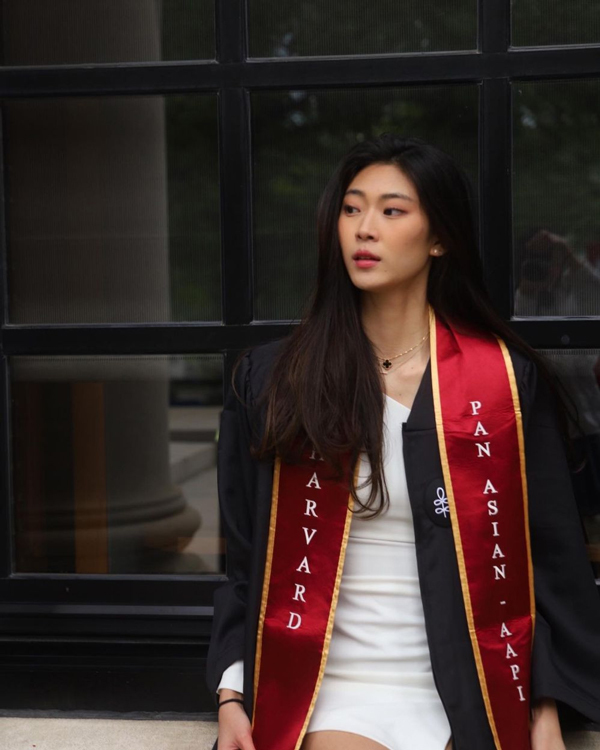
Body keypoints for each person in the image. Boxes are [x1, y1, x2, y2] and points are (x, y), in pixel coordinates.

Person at [206, 134, 600, 750]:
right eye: (351, 208)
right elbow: (244, 560)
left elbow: (547, 564)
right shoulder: (273, 381)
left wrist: (542, 701)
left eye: (391, 211)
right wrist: (232, 694)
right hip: (327, 682)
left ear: (439, 237)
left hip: (469, 679)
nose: (364, 228)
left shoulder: (502, 383)